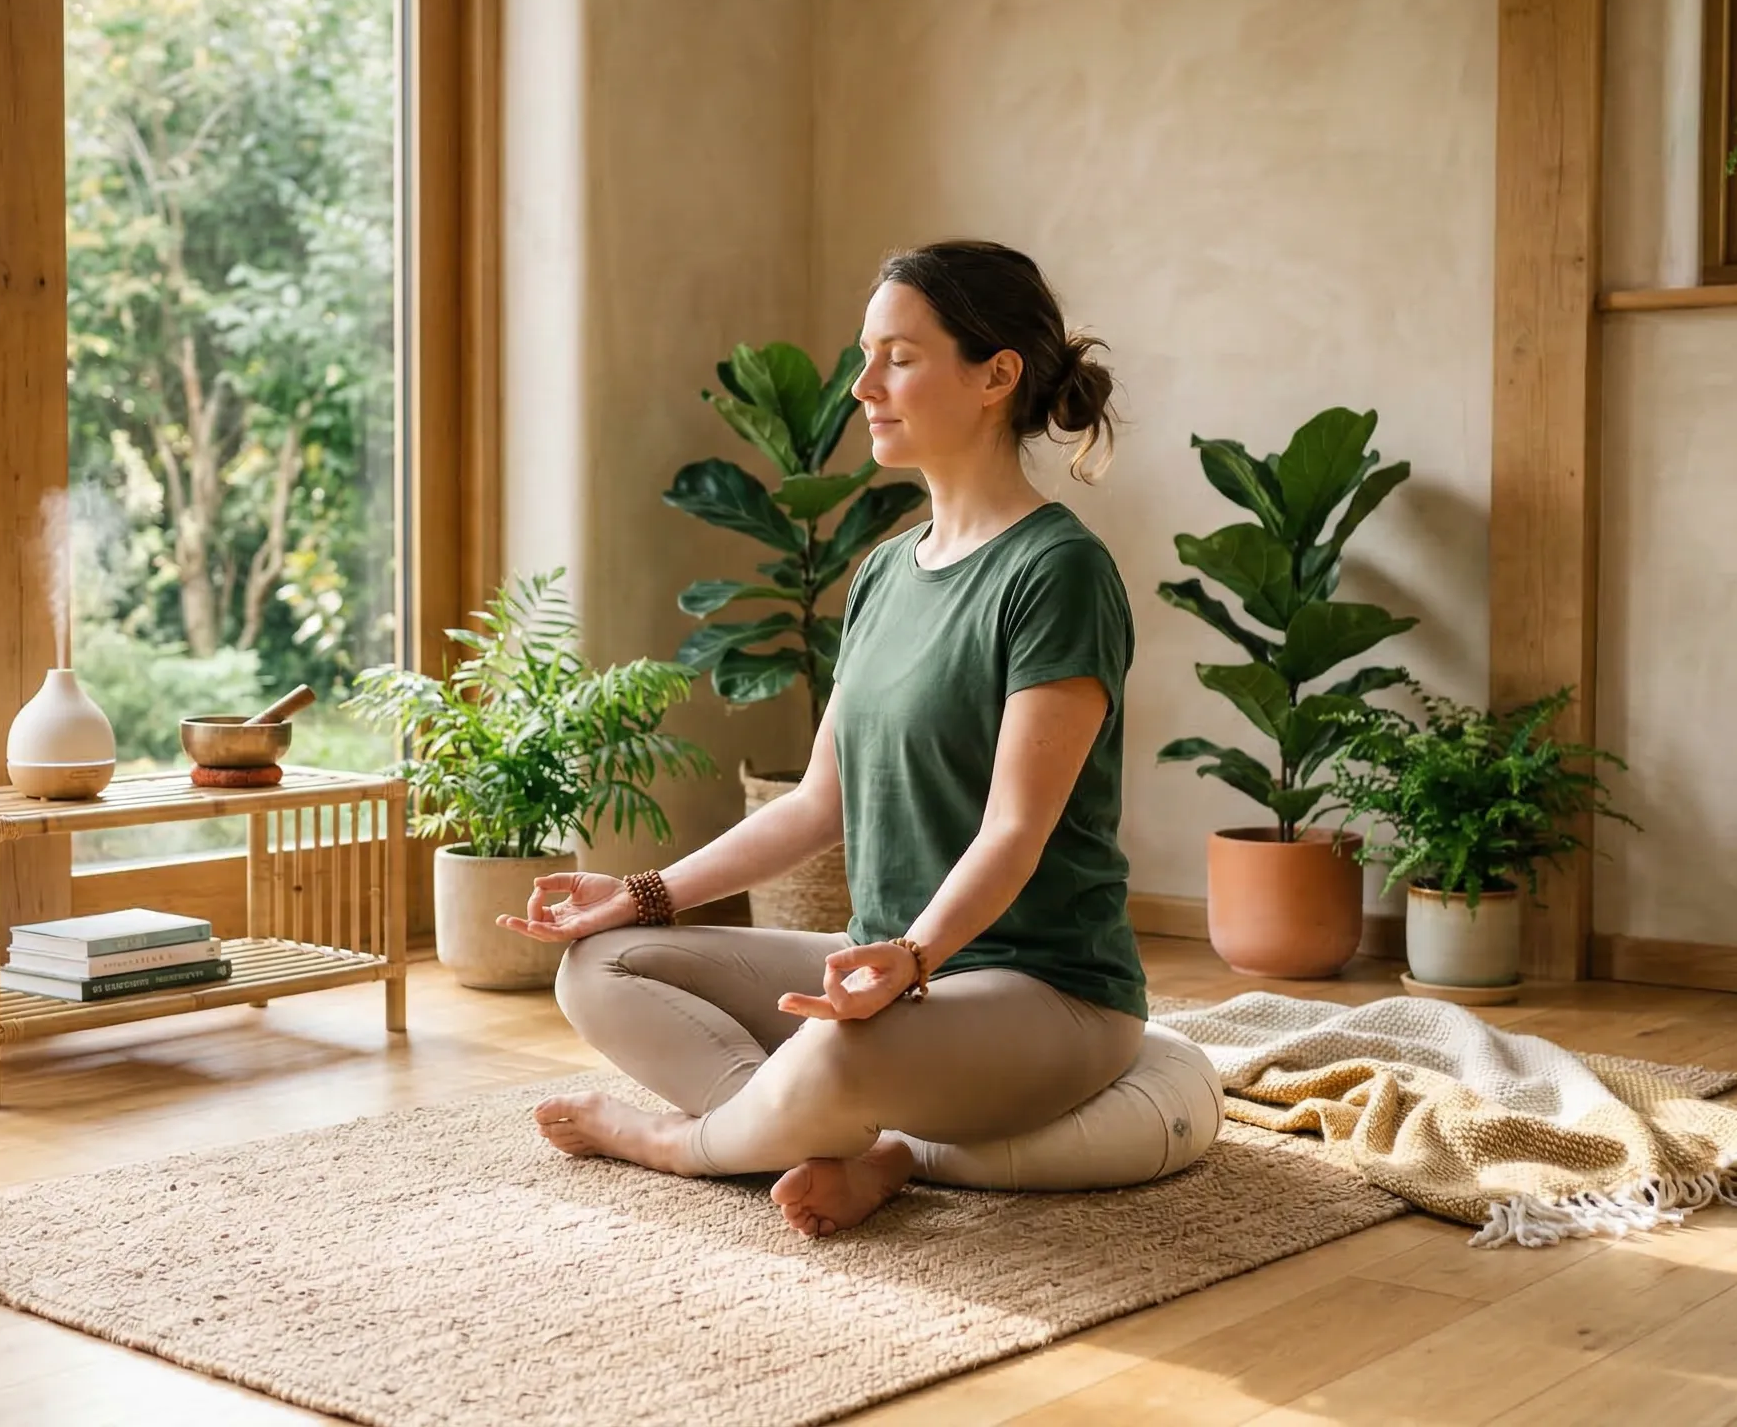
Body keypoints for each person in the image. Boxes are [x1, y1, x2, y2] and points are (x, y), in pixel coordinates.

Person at [501, 239, 1217, 1237]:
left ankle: (676, 1144)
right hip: (886, 972)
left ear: (995, 376)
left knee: (837, 1056)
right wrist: (637, 894)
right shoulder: (884, 574)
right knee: (601, 966)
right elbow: (814, 802)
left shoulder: (1056, 573)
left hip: (1042, 992)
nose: (864, 387)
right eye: (864, 357)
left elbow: (1014, 830)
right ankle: (835, 1140)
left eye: (899, 357)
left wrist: (915, 958)